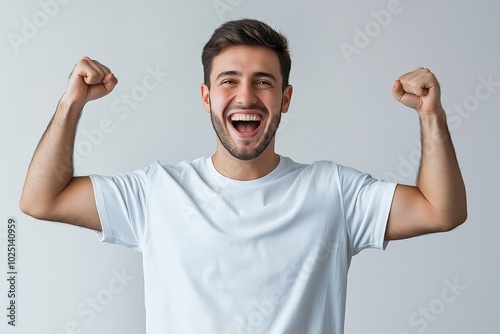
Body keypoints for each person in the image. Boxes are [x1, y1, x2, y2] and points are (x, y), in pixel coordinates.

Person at [20, 18, 467, 334]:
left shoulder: (334, 192)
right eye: (229, 81)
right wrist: (71, 104)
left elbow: (440, 210)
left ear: (285, 98)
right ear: (206, 96)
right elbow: (42, 200)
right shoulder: (155, 193)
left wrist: (431, 115)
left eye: (263, 82)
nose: (245, 95)